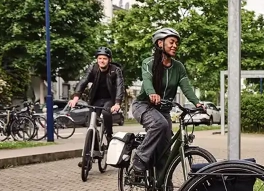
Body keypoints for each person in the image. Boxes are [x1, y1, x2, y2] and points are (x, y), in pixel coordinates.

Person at [130, 27, 203, 175]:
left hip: (163, 110)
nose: (175, 46)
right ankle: (140, 157)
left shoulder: (178, 67)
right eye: (171, 42)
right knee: (160, 124)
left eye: (176, 43)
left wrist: (197, 103)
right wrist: (152, 93)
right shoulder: (148, 62)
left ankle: (165, 190)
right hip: (143, 105)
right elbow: (147, 80)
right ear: (159, 43)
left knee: (165, 151)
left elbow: (186, 87)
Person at [70, 47, 124, 147]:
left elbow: (120, 86)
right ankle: (91, 152)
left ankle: (109, 135)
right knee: (91, 123)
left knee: (106, 112)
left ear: (109, 60)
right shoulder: (93, 68)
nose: (102, 61)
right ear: (97, 59)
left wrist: (117, 103)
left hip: (109, 99)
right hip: (96, 99)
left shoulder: (115, 70)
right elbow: (83, 81)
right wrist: (76, 97)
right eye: (100, 58)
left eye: (104, 58)